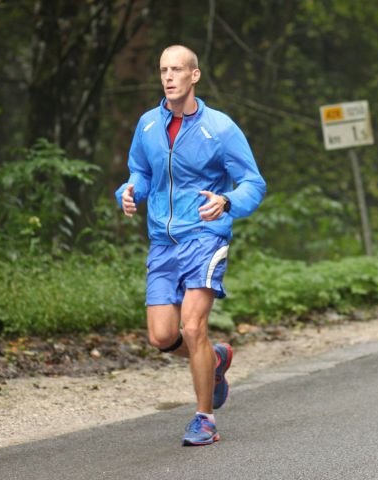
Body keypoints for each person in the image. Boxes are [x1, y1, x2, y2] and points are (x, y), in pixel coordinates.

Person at [115, 44, 266, 446]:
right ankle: (213, 359)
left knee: (193, 325)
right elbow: (139, 172)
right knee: (162, 337)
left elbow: (253, 182)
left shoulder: (220, 128)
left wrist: (228, 201)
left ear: (194, 76)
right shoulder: (147, 124)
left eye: (177, 69)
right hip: (163, 242)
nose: (168, 77)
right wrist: (129, 192)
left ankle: (205, 419)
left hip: (204, 235)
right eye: (163, 70)